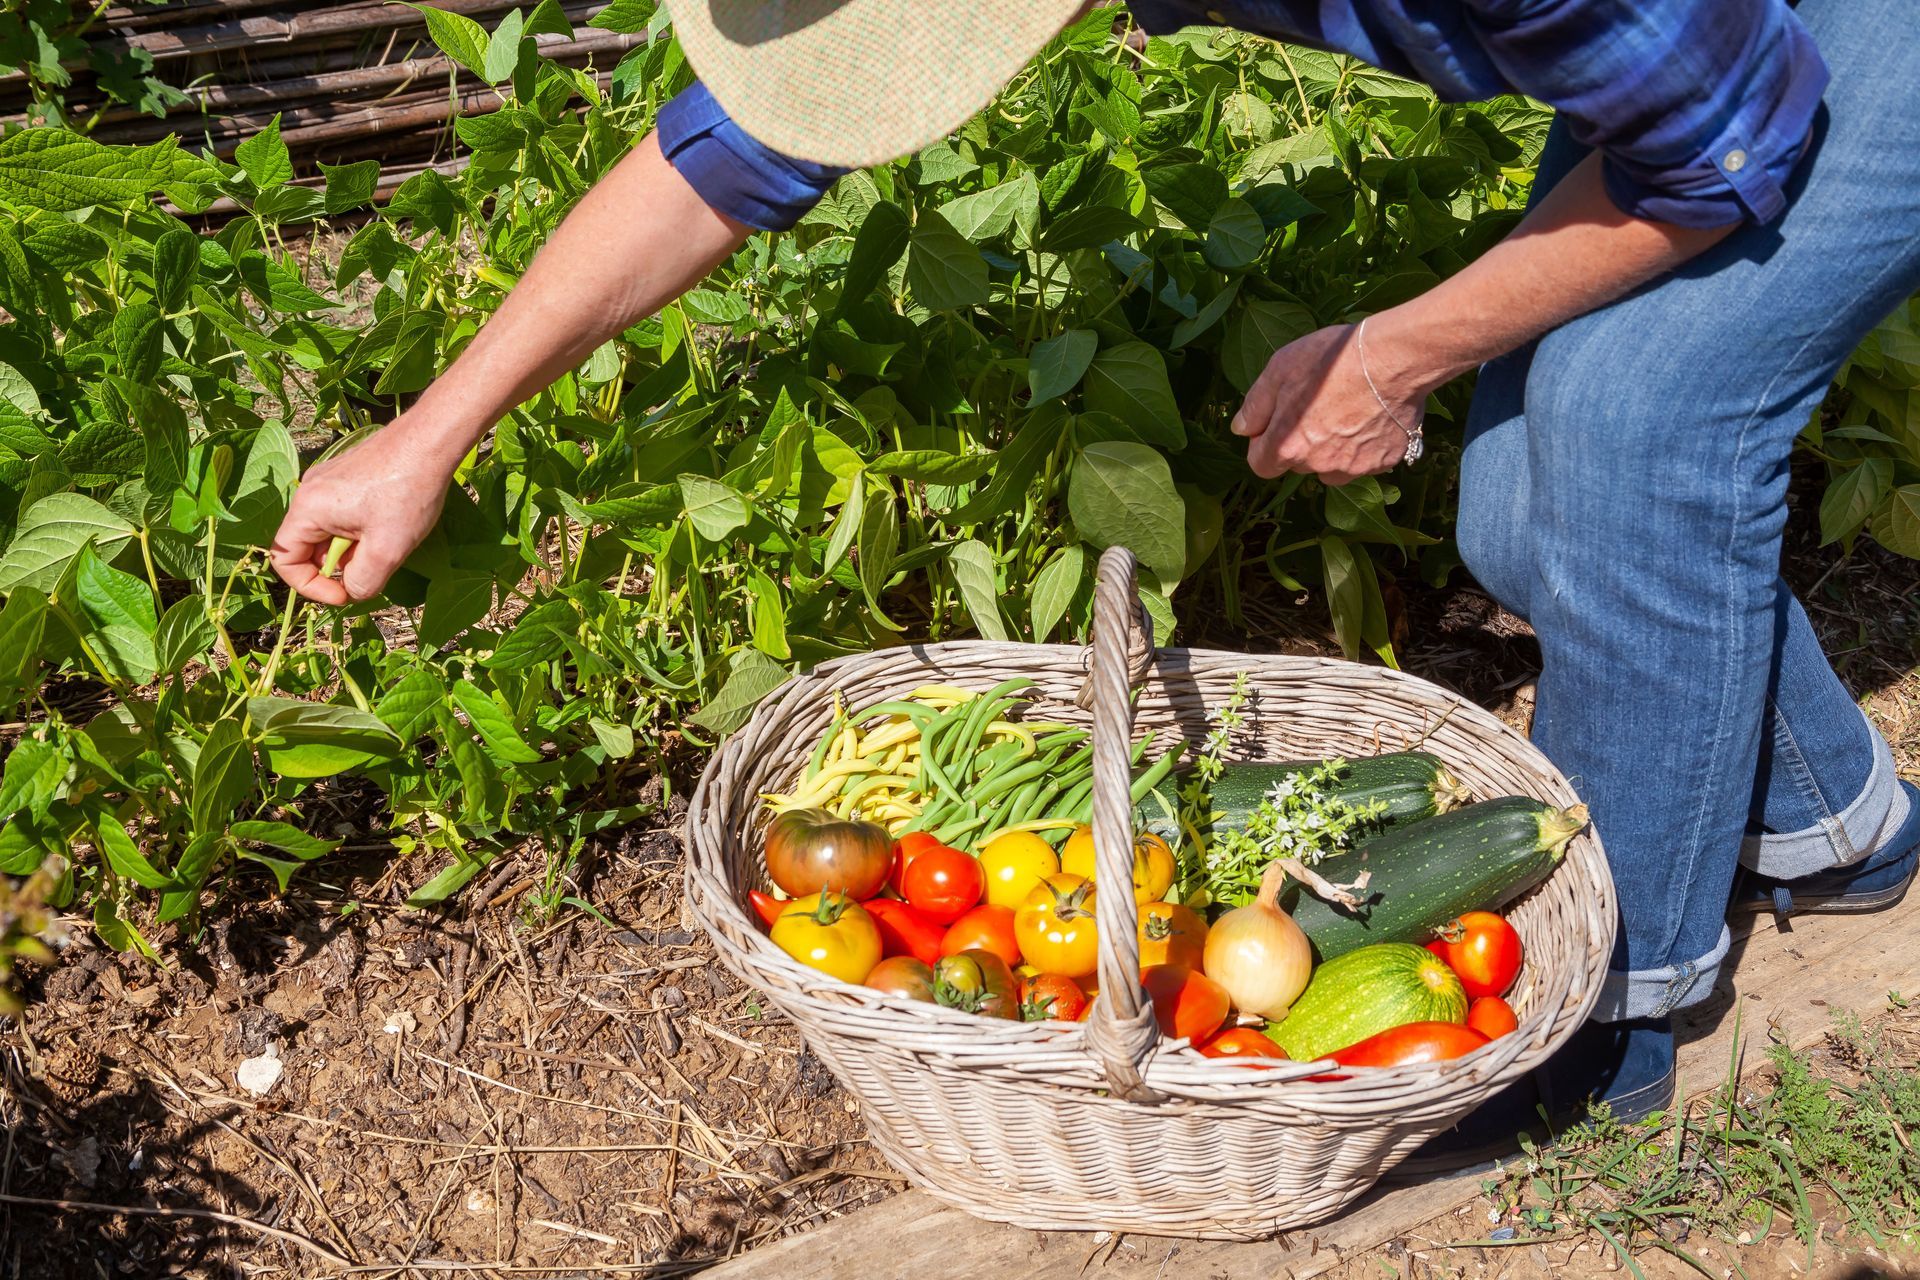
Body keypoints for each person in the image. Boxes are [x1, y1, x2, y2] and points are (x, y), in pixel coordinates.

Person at [270, 0, 1920, 1161]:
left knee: (1635, 439)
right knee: (1517, 517)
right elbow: (729, 153)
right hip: (1695, 32)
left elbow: (1725, 141)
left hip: (1821, 45)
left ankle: (1619, 1022)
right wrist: (431, 432)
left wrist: (1393, 353)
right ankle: (1841, 827)